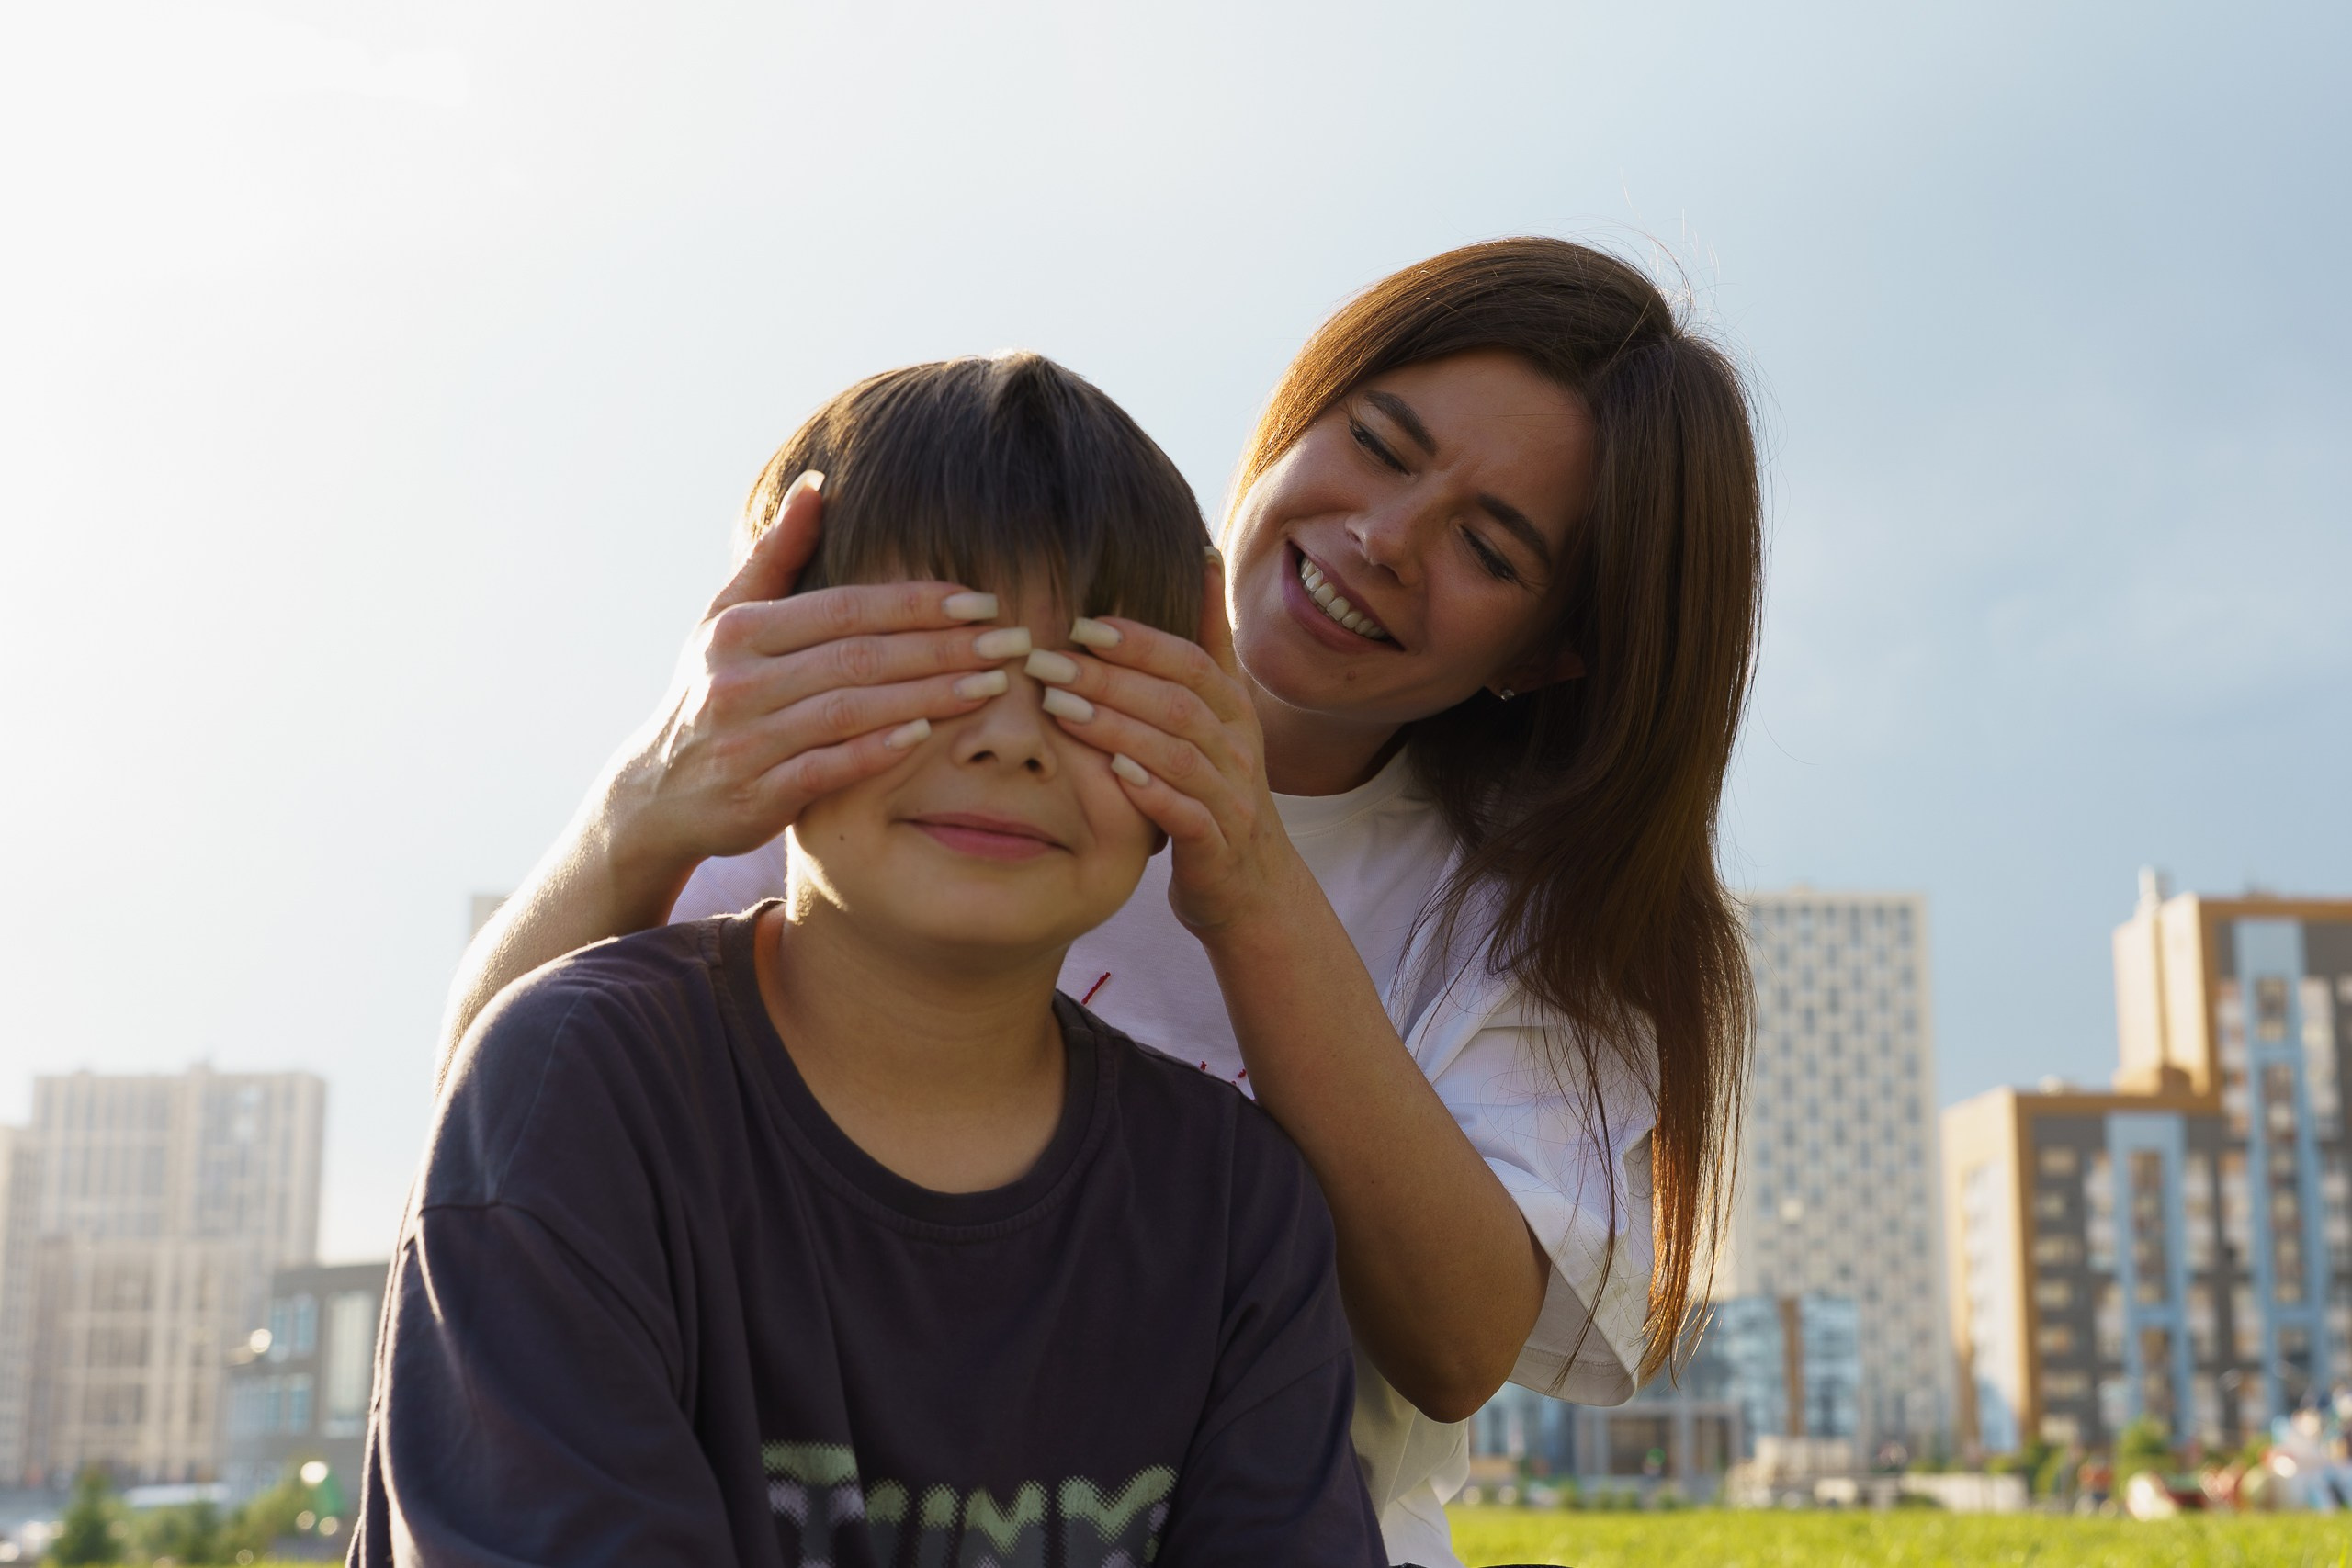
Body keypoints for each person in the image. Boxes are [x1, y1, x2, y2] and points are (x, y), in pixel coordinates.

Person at [447, 237, 1761, 1567]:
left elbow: (1457, 1343)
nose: (1383, 539)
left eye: (1488, 546)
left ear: (1555, 649)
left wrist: (1248, 883)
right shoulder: (914, 720)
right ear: (1297, 410)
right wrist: (644, 802)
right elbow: (500, 1127)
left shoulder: (1529, 919)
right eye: (1377, 442)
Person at [359, 355, 1385, 1567]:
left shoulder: (1236, 1203)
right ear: (755, 681)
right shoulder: (577, 1088)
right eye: (936, 670)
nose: (1009, 739)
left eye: (1080, 687)